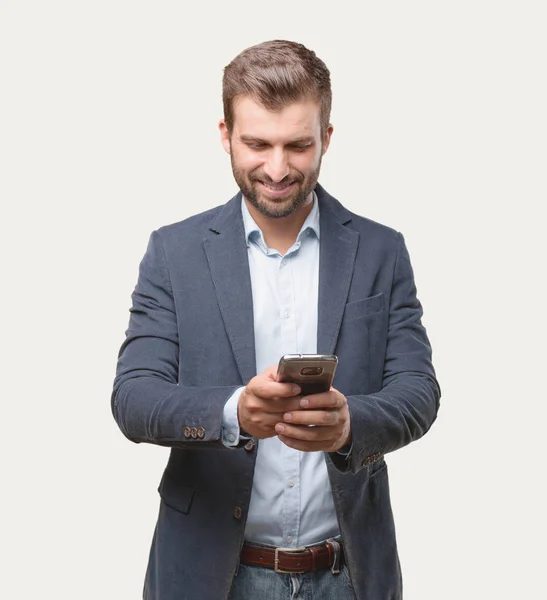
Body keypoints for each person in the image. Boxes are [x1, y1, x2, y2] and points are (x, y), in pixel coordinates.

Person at [111, 39, 441, 600]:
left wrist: (348, 427)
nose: (277, 168)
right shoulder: (174, 252)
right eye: (257, 144)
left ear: (327, 139)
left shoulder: (382, 250)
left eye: (298, 145)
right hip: (212, 574)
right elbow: (134, 398)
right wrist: (232, 411)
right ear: (225, 136)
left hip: (349, 574)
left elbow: (417, 391)